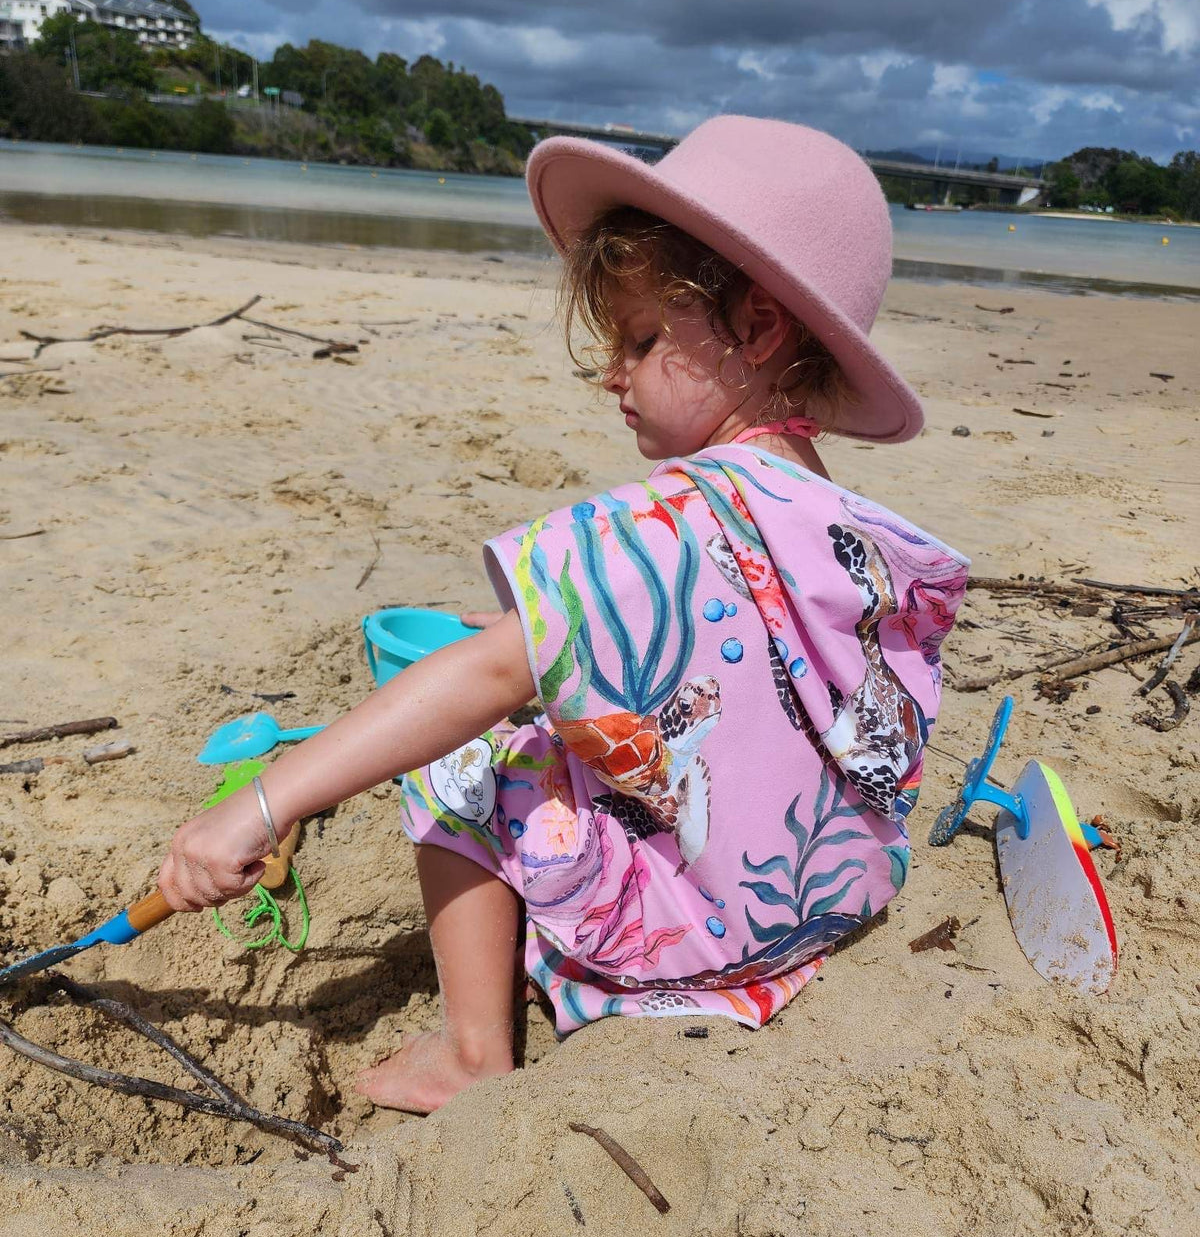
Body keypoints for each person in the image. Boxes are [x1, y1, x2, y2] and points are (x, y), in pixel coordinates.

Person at [158, 116, 969, 1113]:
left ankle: (469, 1053)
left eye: (641, 340)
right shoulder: (851, 528)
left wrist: (261, 805)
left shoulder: (660, 520)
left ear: (759, 328)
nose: (610, 374)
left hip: (686, 961)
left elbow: (486, 678)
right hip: (828, 911)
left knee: (461, 745)